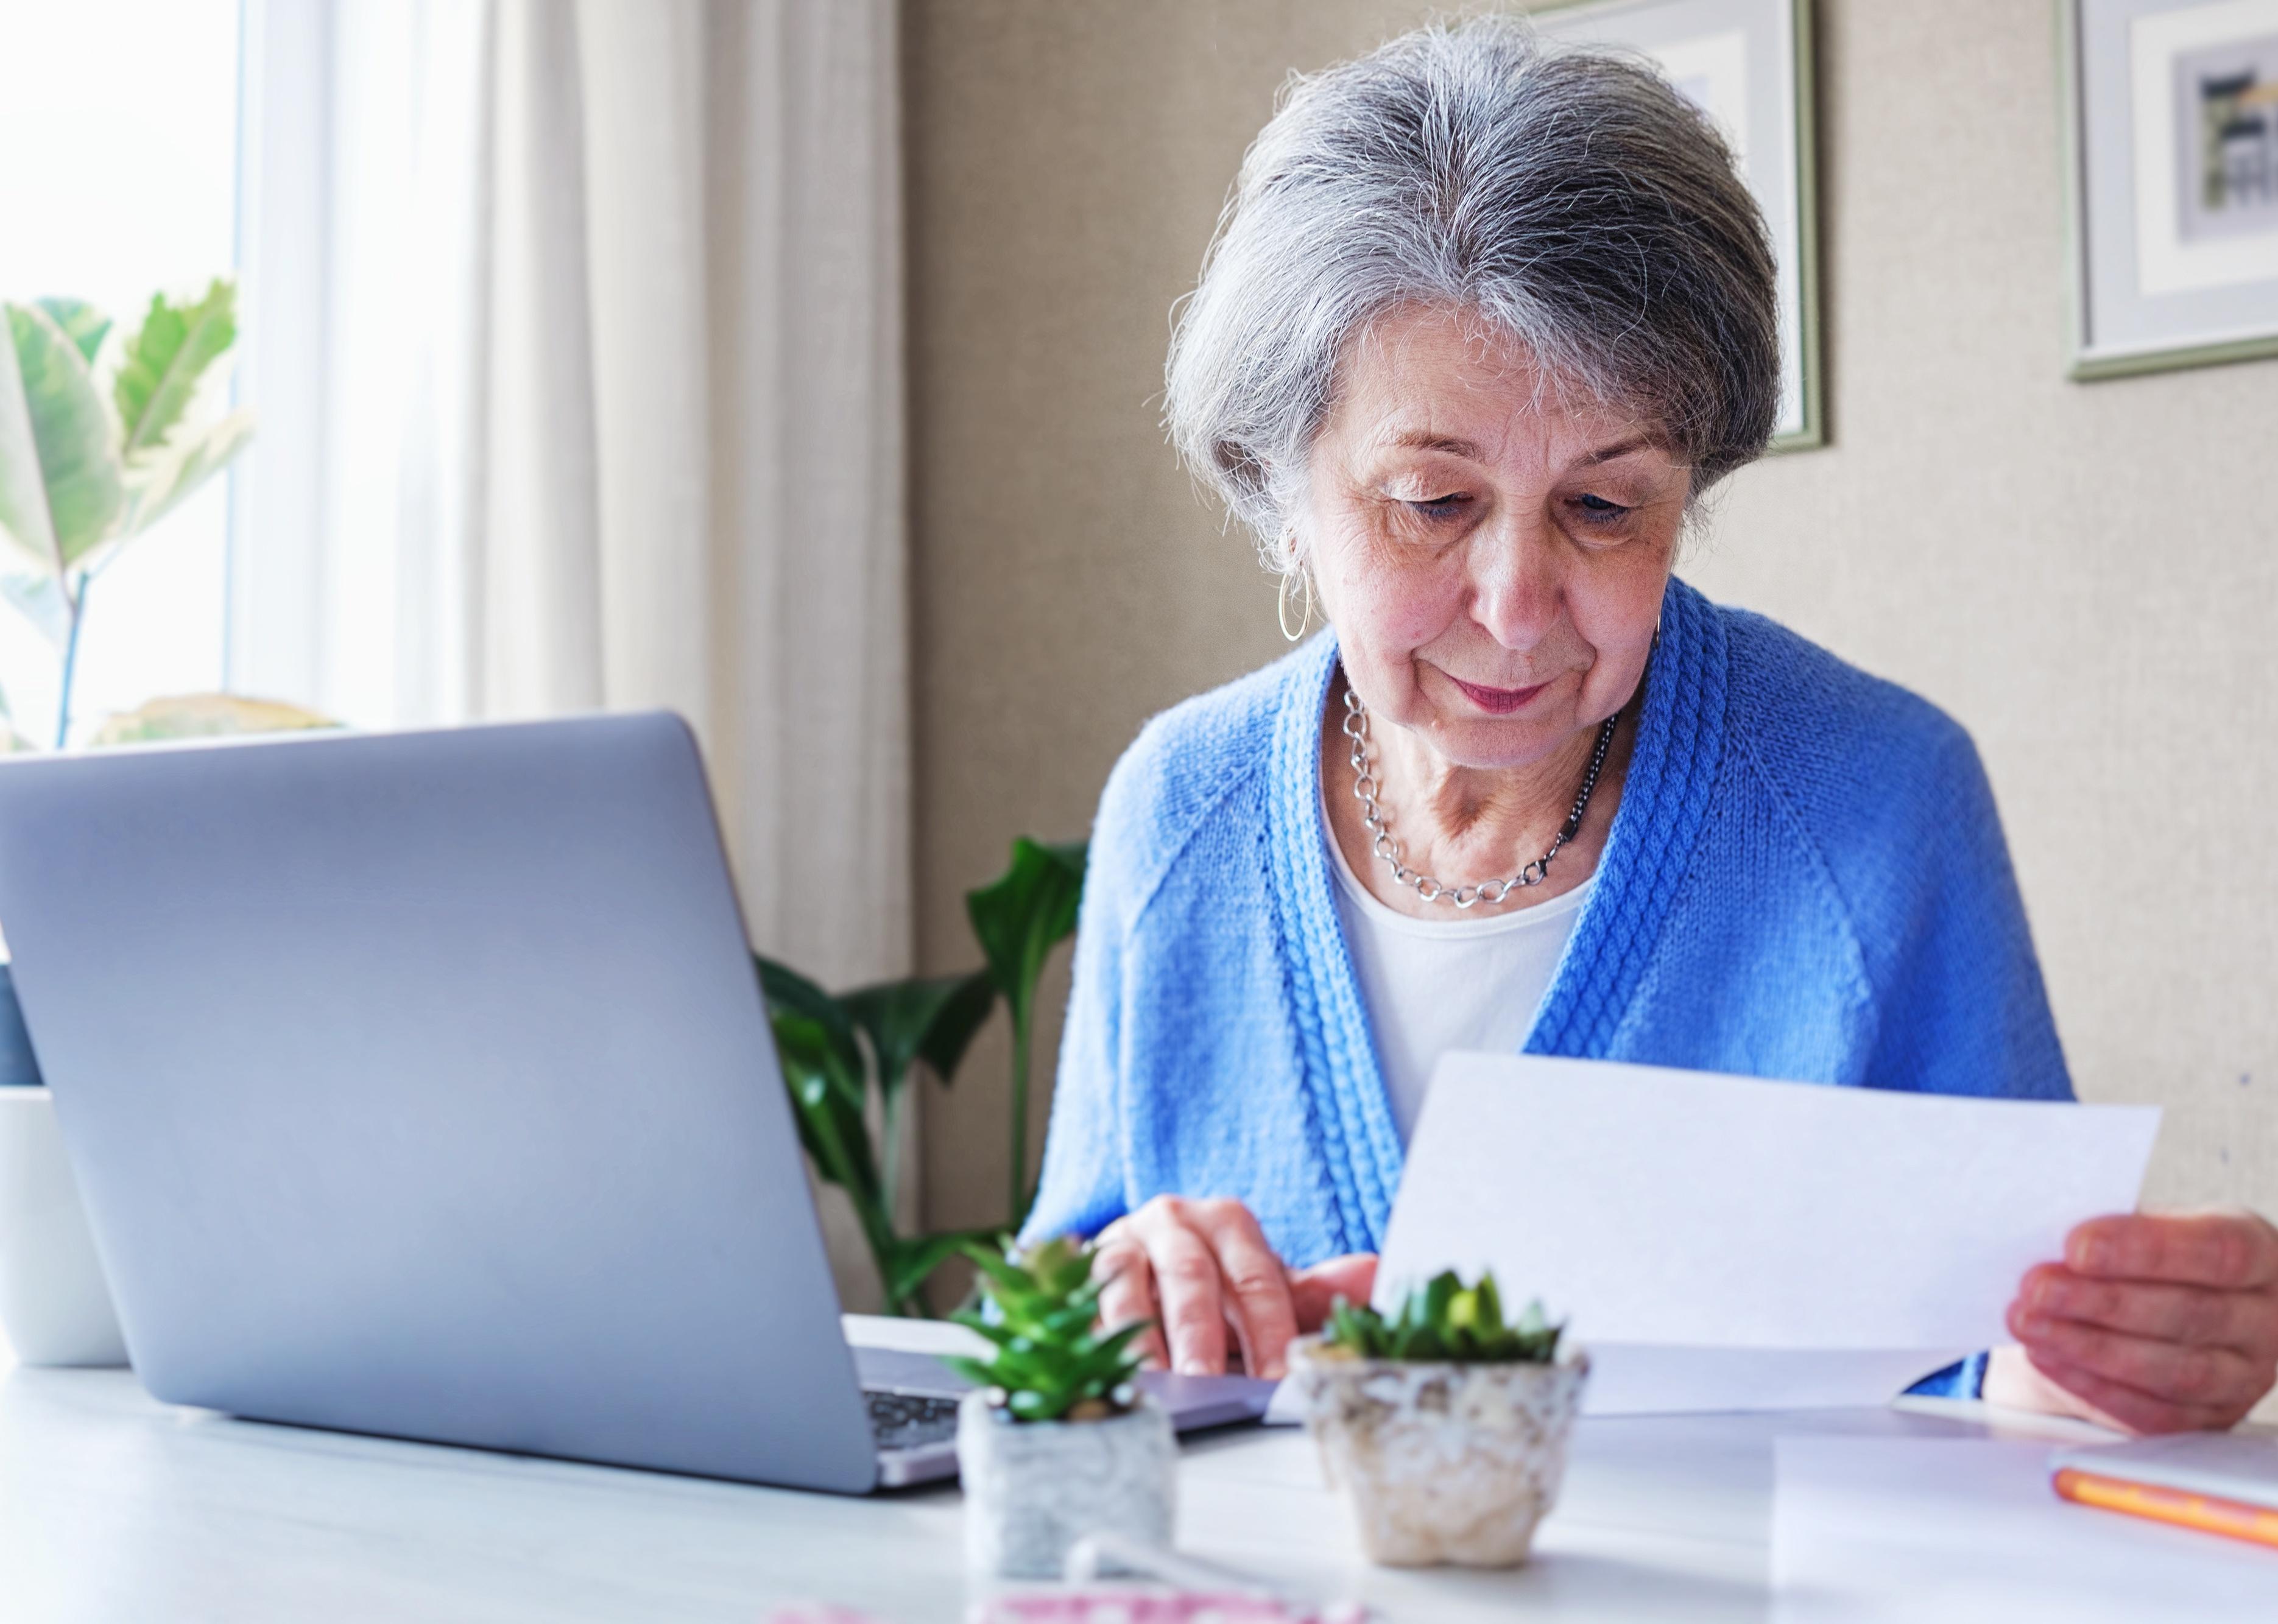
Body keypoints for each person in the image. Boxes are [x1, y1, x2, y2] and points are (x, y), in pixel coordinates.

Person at [1019, 18, 2278, 1434]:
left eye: (1604, 507)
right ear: (1281, 485)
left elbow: (2005, 1378)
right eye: (1432, 502)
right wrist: (1121, 1300)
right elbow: (1067, 1314)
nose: (1513, 606)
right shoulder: (1177, 805)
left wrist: (2121, 1357)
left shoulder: (1874, 801)